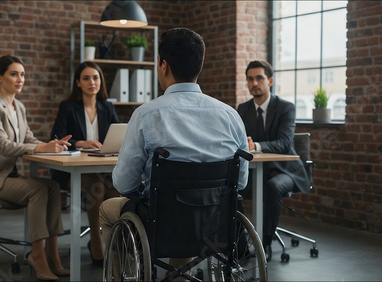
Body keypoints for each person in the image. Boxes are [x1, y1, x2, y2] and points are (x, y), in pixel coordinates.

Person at [99, 28, 249, 275]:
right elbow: (240, 183)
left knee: (106, 210)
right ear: (199, 65)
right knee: (192, 204)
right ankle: (179, 275)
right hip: (214, 224)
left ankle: (126, 275)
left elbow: (124, 183)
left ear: (163, 65)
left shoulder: (147, 114)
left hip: (161, 224)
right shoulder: (230, 115)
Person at [0, 55, 70, 281]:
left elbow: (28, 137)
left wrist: (53, 146)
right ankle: (37, 255)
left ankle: (52, 252)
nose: (20, 79)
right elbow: (3, 145)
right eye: (14, 74)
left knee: (51, 186)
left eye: (22, 74)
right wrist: (41, 148)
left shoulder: (18, 106)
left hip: (4, 177)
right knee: (38, 189)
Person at [237, 60, 311, 261]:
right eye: (250, 79)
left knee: (272, 187)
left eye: (259, 78)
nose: (254, 83)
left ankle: (265, 244)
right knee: (230, 187)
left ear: (270, 80)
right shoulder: (242, 110)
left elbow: (285, 143)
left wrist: (256, 146)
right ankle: (241, 244)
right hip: (255, 171)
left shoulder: (286, 108)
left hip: (286, 171)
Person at [50, 61, 121, 266]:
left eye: (96, 78)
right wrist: (80, 143)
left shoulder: (107, 107)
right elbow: (57, 136)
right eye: (86, 78)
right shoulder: (68, 107)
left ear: (101, 82)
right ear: (78, 83)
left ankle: (115, 244)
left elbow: (117, 132)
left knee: (116, 189)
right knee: (97, 188)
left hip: (102, 165)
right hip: (75, 169)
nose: (92, 82)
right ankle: (97, 247)